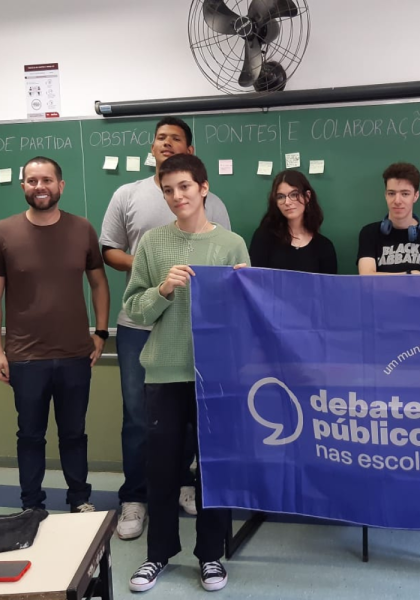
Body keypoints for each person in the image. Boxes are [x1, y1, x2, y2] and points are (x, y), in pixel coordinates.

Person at [100, 116, 231, 539]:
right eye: (161, 138)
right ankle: (135, 497)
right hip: (142, 322)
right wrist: (153, 272)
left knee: (192, 417)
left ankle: (184, 486)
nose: (167, 144)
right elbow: (109, 250)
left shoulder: (218, 209)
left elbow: (222, 266)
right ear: (153, 148)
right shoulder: (128, 194)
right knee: (141, 416)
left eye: (176, 138)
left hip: (195, 331)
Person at [124, 153, 249, 593]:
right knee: (161, 470)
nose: (177, 196)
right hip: (165, 372)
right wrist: (163, 289)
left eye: (184, 187)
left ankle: (210, 556)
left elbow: (246, 315)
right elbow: (133, 308)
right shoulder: (154, 245)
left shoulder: (232, 244)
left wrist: (241, 289)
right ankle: (157, 554)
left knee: (213, 472)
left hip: (215, 376)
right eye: (168, 190)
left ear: (203, 189)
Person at [0, 156, 110, 513]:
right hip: (25, 356)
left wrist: (102, 333)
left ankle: (80, 499)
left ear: (61, 185)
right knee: (30, 436)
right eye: (32, 181)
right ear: (23, 187)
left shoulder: (82, 229)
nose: (39, 187)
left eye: (46, 180)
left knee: (74, 435)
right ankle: (32, 505)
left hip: (75, 354)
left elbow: (99, 283)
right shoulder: (4, 232)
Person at [357, 162, 420, 275]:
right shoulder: (369, 233)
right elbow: (367, 280)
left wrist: (381, 278)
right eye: (391, 193)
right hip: (380, 294)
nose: (397, 201)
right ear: (386, 195)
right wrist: (409, 275)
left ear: (415, 196)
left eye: (405, 194)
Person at [249, 170, 337, 273]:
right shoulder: (264, 237)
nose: (287, 202)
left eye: (294, 195)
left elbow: (328, 287)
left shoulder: (324, 246)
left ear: (307, 197)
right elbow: (254, 281)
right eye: (280, 197)